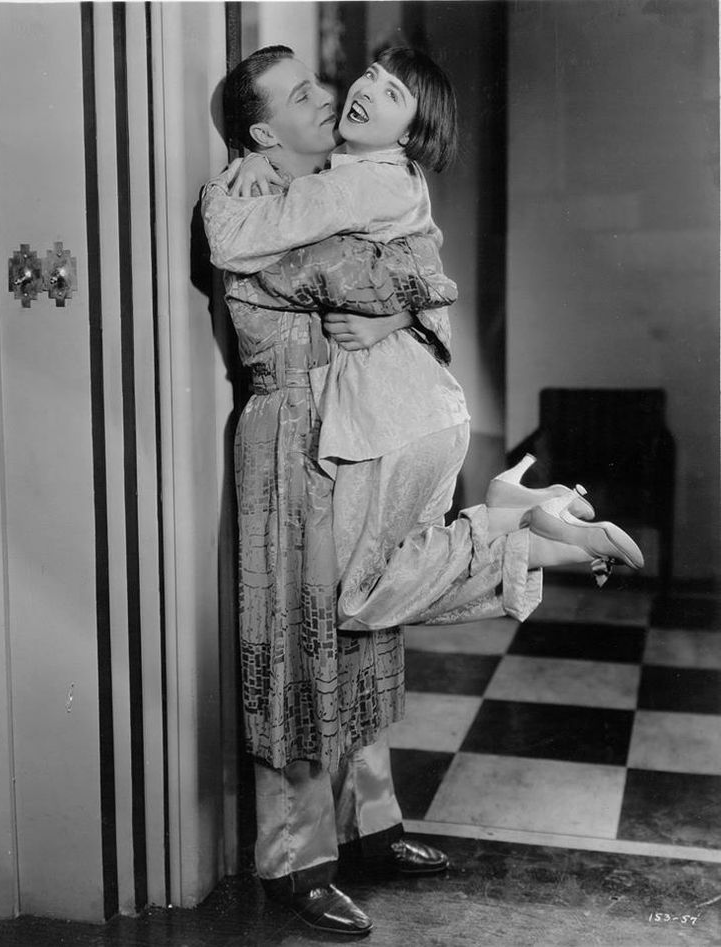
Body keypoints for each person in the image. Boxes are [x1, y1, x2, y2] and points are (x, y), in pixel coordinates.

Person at [202, 45, 643, 936]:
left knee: (363, 628)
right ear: (263, 132)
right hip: (291, 438)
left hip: (355, 424)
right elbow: (367, 277)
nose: (330, 96)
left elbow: (407, 285)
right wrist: (398, 291)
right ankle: (301, 860)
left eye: (324, 84)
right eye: (301, 94)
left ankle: (370, 824)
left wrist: (401, 299)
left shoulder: (335, 191)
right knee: (306, 648)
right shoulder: (269, 199)